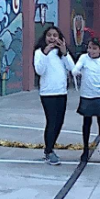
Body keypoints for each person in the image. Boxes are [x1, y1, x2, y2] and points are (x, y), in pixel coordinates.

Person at [33, 26, 75, 166]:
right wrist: (45, 53)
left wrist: (65, 52)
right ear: (45, 37)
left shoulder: (61, 54)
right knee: (51, 121)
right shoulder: (39, 52)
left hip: (61, 92)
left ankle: (50, 147)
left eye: (55, 35)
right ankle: (49, 151)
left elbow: (72, 68)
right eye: (49, 35)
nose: (52, 38)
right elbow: (39, 70)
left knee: (59, 122)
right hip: (47, 93)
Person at [72, 38, 100, 163]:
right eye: (89, 48)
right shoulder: (83, 58)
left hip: (99, 95)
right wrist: (76, 71)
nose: (91, 51)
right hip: (86, 96)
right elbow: (76, 68)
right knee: (86, 123)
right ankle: (85, 149)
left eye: (94, 48)